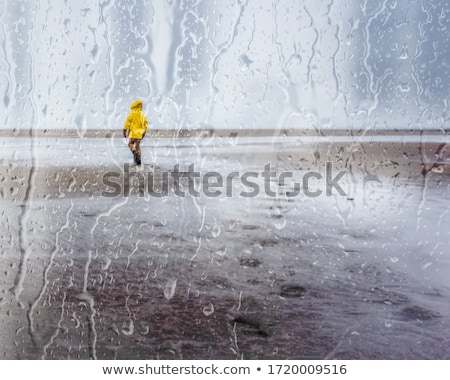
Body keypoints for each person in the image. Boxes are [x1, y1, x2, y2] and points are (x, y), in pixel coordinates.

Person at [123, 99, 148, 166]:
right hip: (139, 134)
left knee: (130, 144)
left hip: (132, 133)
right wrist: (144, 133)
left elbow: (127, 122)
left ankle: (134, 151)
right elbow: (145, 125)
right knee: (138, 147)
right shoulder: (142, 115)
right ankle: (139, 161)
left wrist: (125, 130)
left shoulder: (131, 114)